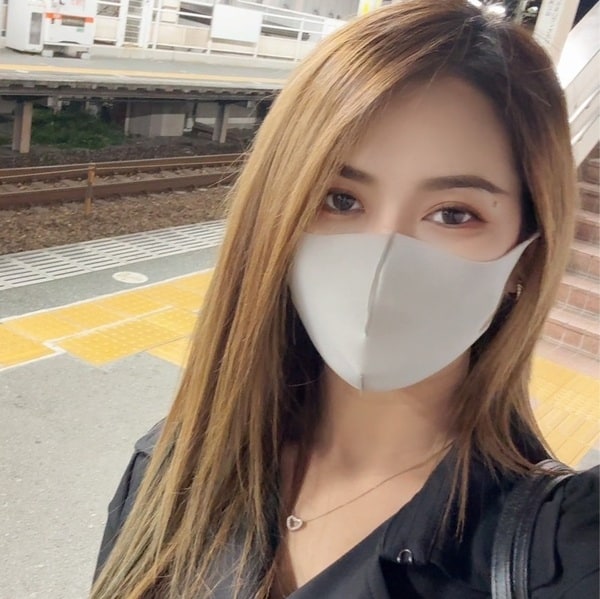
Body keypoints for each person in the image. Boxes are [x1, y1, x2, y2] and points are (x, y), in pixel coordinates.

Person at [91, 1, 599, 598]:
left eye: (453, 214)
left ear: (526, 256)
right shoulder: (174, 468)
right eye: (340, 200)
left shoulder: (558, 553)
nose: (383, 259)